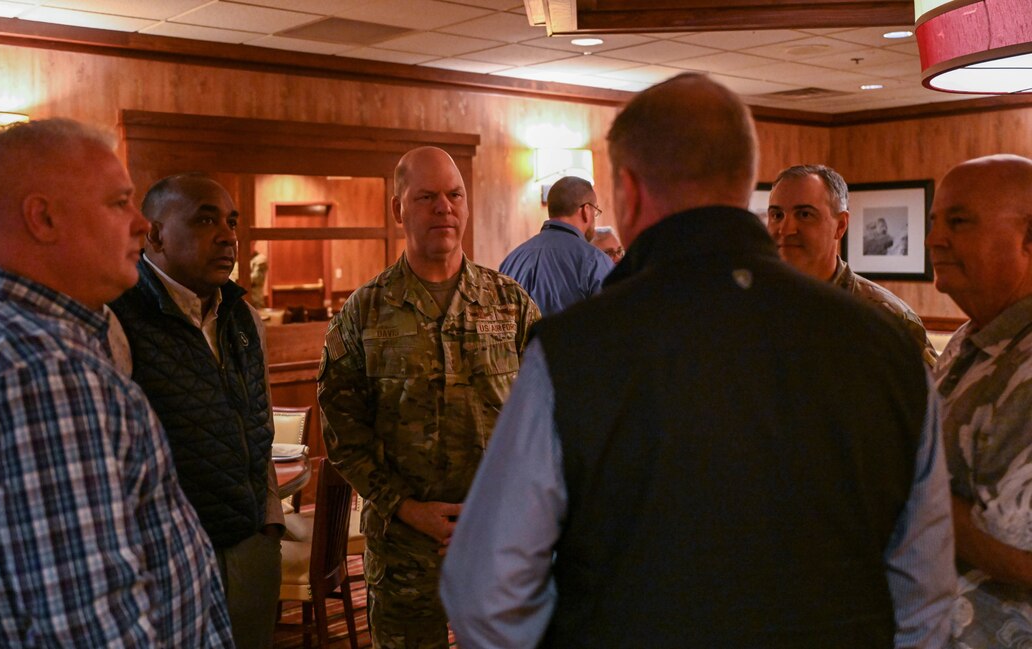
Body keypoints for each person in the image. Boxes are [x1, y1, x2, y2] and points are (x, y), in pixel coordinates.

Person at [441, 73, 955, 649]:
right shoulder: (885, 346)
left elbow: (486, 590)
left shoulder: (574, 353)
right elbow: (925, 592)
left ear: (630, 191)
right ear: (745, 184)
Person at [0, 119, 233, 645]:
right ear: (44, 218)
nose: (142, 225)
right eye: (119, 203)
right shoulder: (44, 375)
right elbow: (90, 627)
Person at [318, 146, 540, 648]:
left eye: (455, 195)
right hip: (404, 552)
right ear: (398, 209)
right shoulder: (364, 312)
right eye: (427, 197)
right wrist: (407, 507)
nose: (444, 207)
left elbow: (549, 422)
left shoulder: (510, 304)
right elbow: (344, 434)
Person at [108, 173, 284, 649]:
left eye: (231, 222)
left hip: (249, 542)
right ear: (155, 234)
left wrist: (269, 522)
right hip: (164, 557)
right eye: (206, 220)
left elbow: (260, 424)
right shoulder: (119, 317)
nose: (227, 236)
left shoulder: (242, 317)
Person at [927, 154, 1032, 646]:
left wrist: (898, 479)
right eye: (934, 222)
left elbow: (1022, 554)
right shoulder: (970, 339)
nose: (934, 239)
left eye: (959, 221)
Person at [767, 164, 937, 365]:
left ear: (840, 225)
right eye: (777, 215)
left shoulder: (886, 318)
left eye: (804, 214)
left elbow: (930, 385)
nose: (785, 229)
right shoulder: (752, 305)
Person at [499, 176, 613, 315]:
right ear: (586, 210)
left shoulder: (511, 260)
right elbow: (612, 320)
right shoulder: (594, 261)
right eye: (595, 211)